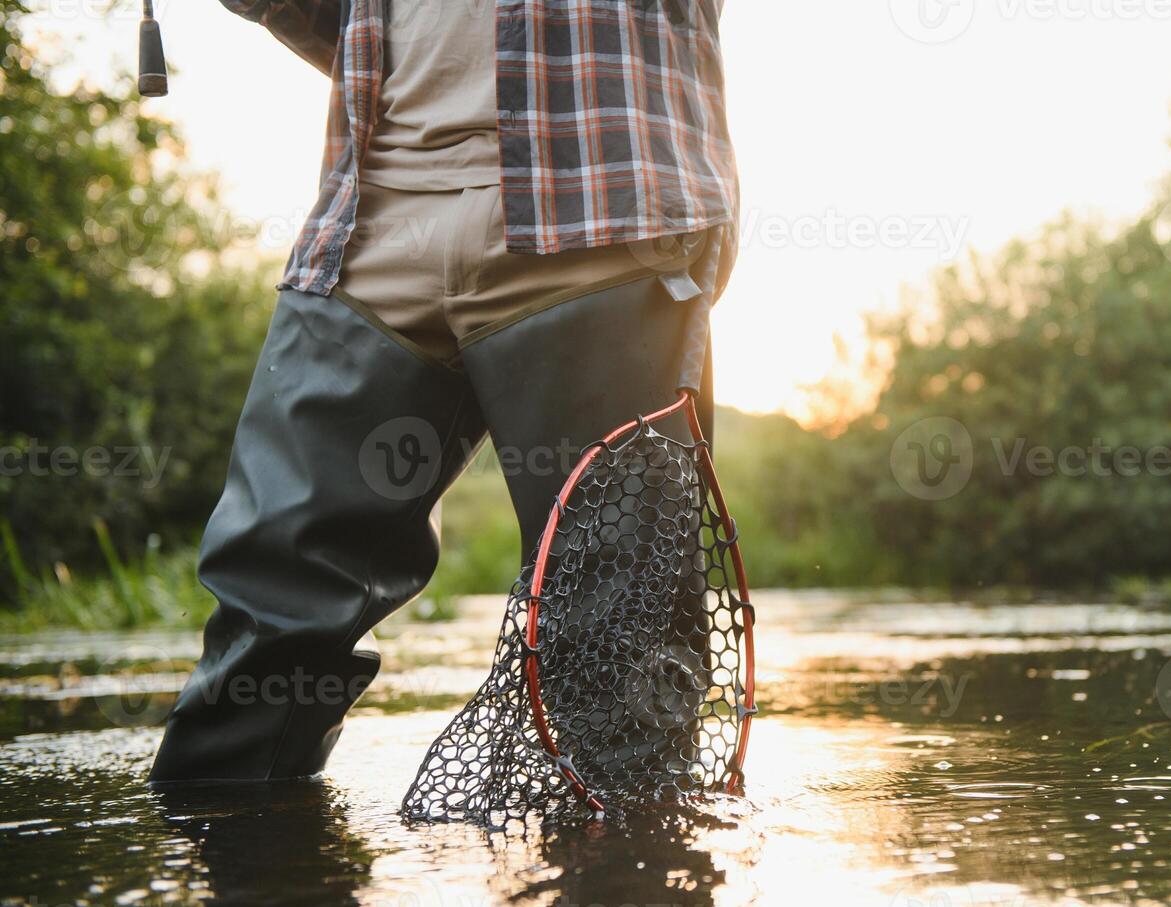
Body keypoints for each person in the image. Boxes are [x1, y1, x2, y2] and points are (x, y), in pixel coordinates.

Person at [148, 0, 739, 783]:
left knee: (615, 644)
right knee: (268, 612)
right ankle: (234, 871)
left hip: (602, 207)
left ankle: (626, 891)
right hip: (367, 225)